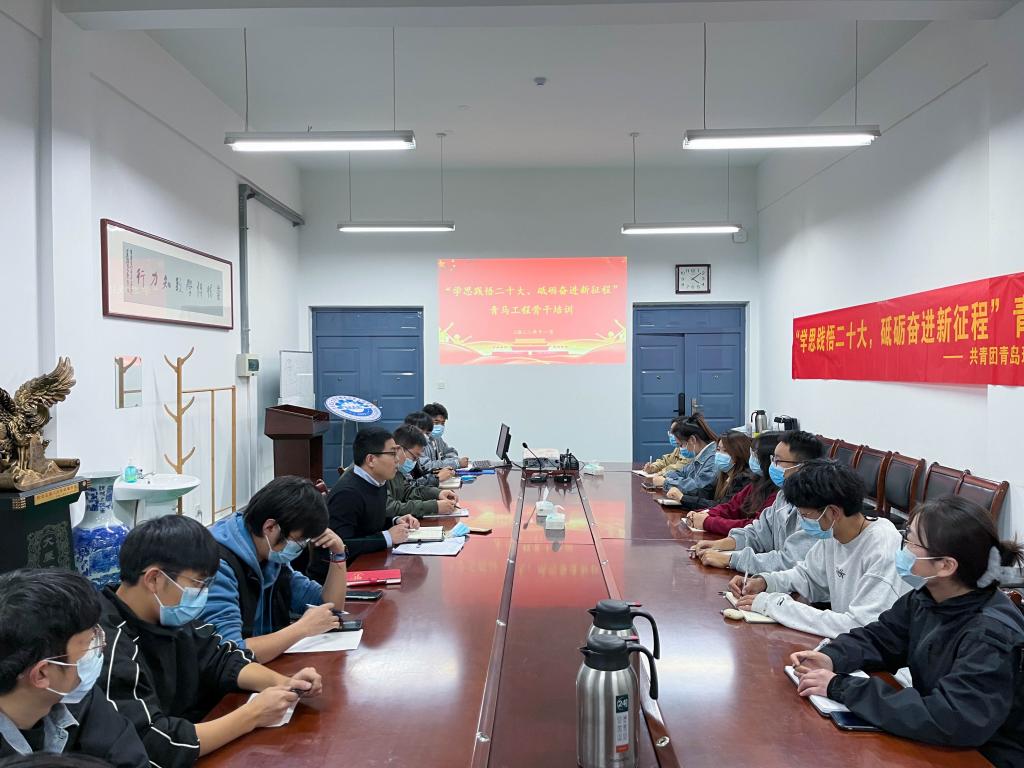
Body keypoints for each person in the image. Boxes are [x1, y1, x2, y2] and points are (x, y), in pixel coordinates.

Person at [790, 496, 1024, 767]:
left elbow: (952, 718)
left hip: (986, 755)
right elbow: (881, 638)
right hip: (941, 742)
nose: (903, 548)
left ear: (946, 565)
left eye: (911, 542)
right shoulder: (929, 596)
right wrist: (832, 656)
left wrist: (841, 687)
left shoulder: (990, 634)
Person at [99, 515, 325, 767]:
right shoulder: (106, 645)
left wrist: (285, 683)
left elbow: (221, 658)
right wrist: (252, 715)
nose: (202, 594)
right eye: (198, 584)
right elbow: (154, 743)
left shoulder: (167, 614)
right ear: (154, 579)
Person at [730, 460, 906, 637]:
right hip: (846, 643)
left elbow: (860, 626)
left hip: (870, 646)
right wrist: (766, 582)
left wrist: (774, 605)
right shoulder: (833, 533)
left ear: (833, 512)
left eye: (805, 515)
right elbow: (807, 576)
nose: (802, 521)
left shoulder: (882, 547)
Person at [0, 569, 148, 767]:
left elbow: (131, 760)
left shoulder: (78, 697)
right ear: (42, 673)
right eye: (90, 642)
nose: (102, 645)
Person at [202, 476, 348, 663]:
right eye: (298, 540)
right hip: (235, 675)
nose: (300, 547)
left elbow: (329, 606)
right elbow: (230, 653)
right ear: (270, 527)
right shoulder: (217, 565)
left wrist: (338, 553)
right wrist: (302, 629)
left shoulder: (270, 556)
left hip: (265, 665)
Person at [693, 429, 823, 570]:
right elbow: (758, 533)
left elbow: (791, 561)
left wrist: (731, 559)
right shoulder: (783, 496)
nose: (773, 465)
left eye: (778, 461)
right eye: (772, 459)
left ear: (802, 466)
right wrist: (718, 545)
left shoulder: (816, 510)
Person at [317, 426, 421, 571]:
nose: (397, 459)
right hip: (340, 573)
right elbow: (341, 545)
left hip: (368, 562)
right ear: (371, 460)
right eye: (392, 454)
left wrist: (395, 520)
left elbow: (368, 523)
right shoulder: (347, 494)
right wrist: (386, 538)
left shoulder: (378, 482)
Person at [686, 432, 780, 536]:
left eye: (755, 455)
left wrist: (708, 521)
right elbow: (732, 507)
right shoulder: (757, 482)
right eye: (718, 449)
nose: (752, 458)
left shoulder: (777, 493)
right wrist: (703, 513)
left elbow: (755, 527)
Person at [387, 425, 459, 519]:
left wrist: (438, 493)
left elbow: (409, 491)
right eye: (414, 457)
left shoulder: (397, 471)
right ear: (398, 449)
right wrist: (434, 506)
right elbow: (392, 508)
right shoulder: (384, 472)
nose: (415, 462)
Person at [667, 430, 752, 510]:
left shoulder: (744, 479)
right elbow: (705, 492)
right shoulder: (723, 474)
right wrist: (680, 493)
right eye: (718, 449)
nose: (719, 454)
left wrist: (683, 498)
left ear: (738, 454)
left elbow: (722, 507)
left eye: (725, 451)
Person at [650, 415, 718, 496]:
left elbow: (698, 487)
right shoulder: (699, 455)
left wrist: (666, 482)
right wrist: (664, 476)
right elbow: (682, 472)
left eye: (681, 445)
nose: (680, 449)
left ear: (692, 440)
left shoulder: (713, 459)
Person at [403, 412, 455, 485]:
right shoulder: (402, 453)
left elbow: (421, 472)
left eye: (427, 433)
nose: (426, 437)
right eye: (422, 432)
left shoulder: (433, 441)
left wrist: (441, 471)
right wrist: (437, 478)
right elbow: (409, 486)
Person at [421, 403, 470, 470]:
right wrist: (456, 463)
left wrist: (452, 460)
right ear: (425, 421)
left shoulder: (437, 439)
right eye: (436, 422)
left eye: (443, 423)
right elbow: (426, 466)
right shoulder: (418, 441)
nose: (440, 426)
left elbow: (451, 452)